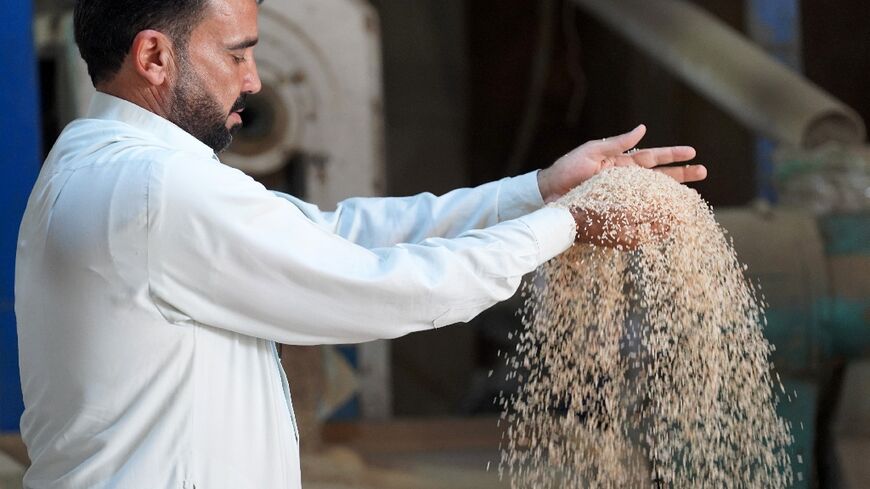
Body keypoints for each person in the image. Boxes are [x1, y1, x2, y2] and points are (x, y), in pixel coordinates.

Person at [15, 0, 707, 487]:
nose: (253, 79)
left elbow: (334, 232)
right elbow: (380, 284)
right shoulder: (151, 189)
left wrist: (538, 192)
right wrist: (570, 225)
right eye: (236, 53)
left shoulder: (105, 165)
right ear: (155, 56)